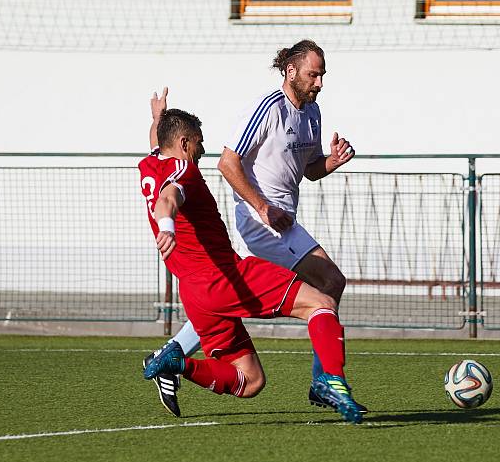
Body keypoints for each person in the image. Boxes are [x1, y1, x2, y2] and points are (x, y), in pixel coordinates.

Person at [147, 40, 366, 416]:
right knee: (326, 288)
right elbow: (228, 164)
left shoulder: (312, 113)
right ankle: (325, 382)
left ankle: (175, 354)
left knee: (235, 316)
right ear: (291, 71)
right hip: (262, 222)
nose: (320, 82)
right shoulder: (266, 109)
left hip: (270, 230)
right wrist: (263, 207)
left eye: (323, 75)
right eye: (314, 73)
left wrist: (331, 161)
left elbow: (309, 170)